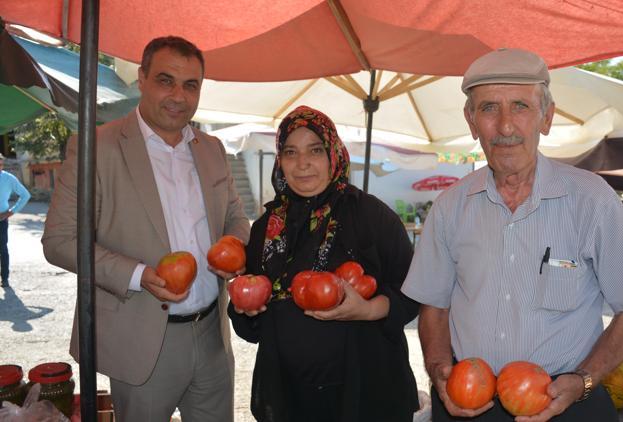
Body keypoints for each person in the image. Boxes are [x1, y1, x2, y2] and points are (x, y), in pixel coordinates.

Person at [401, 48, 623, 422]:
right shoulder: (450, 206)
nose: (506, 126)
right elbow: (434, 305)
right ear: (471, 121)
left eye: (521, 106)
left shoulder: (592, 200)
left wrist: (585, 381)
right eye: (489, 108)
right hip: (468, 401)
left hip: (567, 398)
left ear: (547, 117)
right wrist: (440, 369)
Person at [42, 36, 250, 422]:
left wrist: (234, 245)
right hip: (141, 337)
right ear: (142, 78)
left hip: (211, 335)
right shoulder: (96, 147)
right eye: (165, 80)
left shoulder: (212, 149)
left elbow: (236, 217)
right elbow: (59, 241)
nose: (178, 96)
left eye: (191, 85)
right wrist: (139, 275)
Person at [228, 105, 419, 422]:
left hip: (366, 395)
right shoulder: (266, 227)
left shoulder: (372, 216)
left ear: (333, 153)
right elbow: (252, 327)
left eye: (314, 150)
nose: (302, 163)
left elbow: (414, 292)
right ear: (281, 160)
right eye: (290, 152)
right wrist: (246, 310)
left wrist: (369, 309)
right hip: (290, 397)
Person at [0, 154, 30, 288]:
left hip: (1, 219)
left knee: (2, 249)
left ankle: (4, 278)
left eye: (0, 164)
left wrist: (11, 211)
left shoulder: (8, 178)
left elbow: (25, 195)